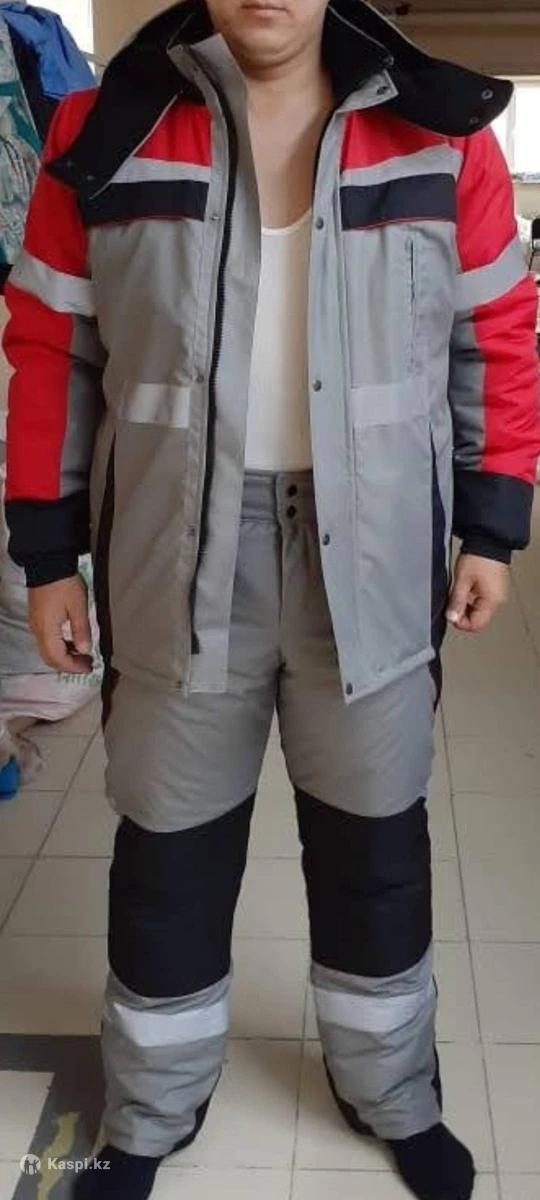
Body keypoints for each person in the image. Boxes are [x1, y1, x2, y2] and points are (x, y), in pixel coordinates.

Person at [4, 1, 540, 1197]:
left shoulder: (441, 133)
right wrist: (45, 557)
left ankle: (393, 1093)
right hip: (174, 554)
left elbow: (497, 336)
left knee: (375, 846)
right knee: (170, 850)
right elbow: (49, 349)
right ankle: (149, 1112)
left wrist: (493, 527)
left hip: (375, 558)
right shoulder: (104, 130)